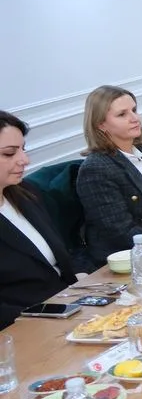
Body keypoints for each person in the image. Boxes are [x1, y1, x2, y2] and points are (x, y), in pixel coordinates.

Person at [76, 86, 142, 267]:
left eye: (134, 110)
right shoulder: (96, 168)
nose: (135, 118)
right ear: (100, 125)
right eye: (122, 114)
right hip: (128, 261)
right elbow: (119, 231)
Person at [0, 111, 78, 329]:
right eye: (9, 153)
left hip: (68, 306)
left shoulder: (26, 193)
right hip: (23, 328)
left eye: (23, 149)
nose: (25, 160)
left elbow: (61, 260)